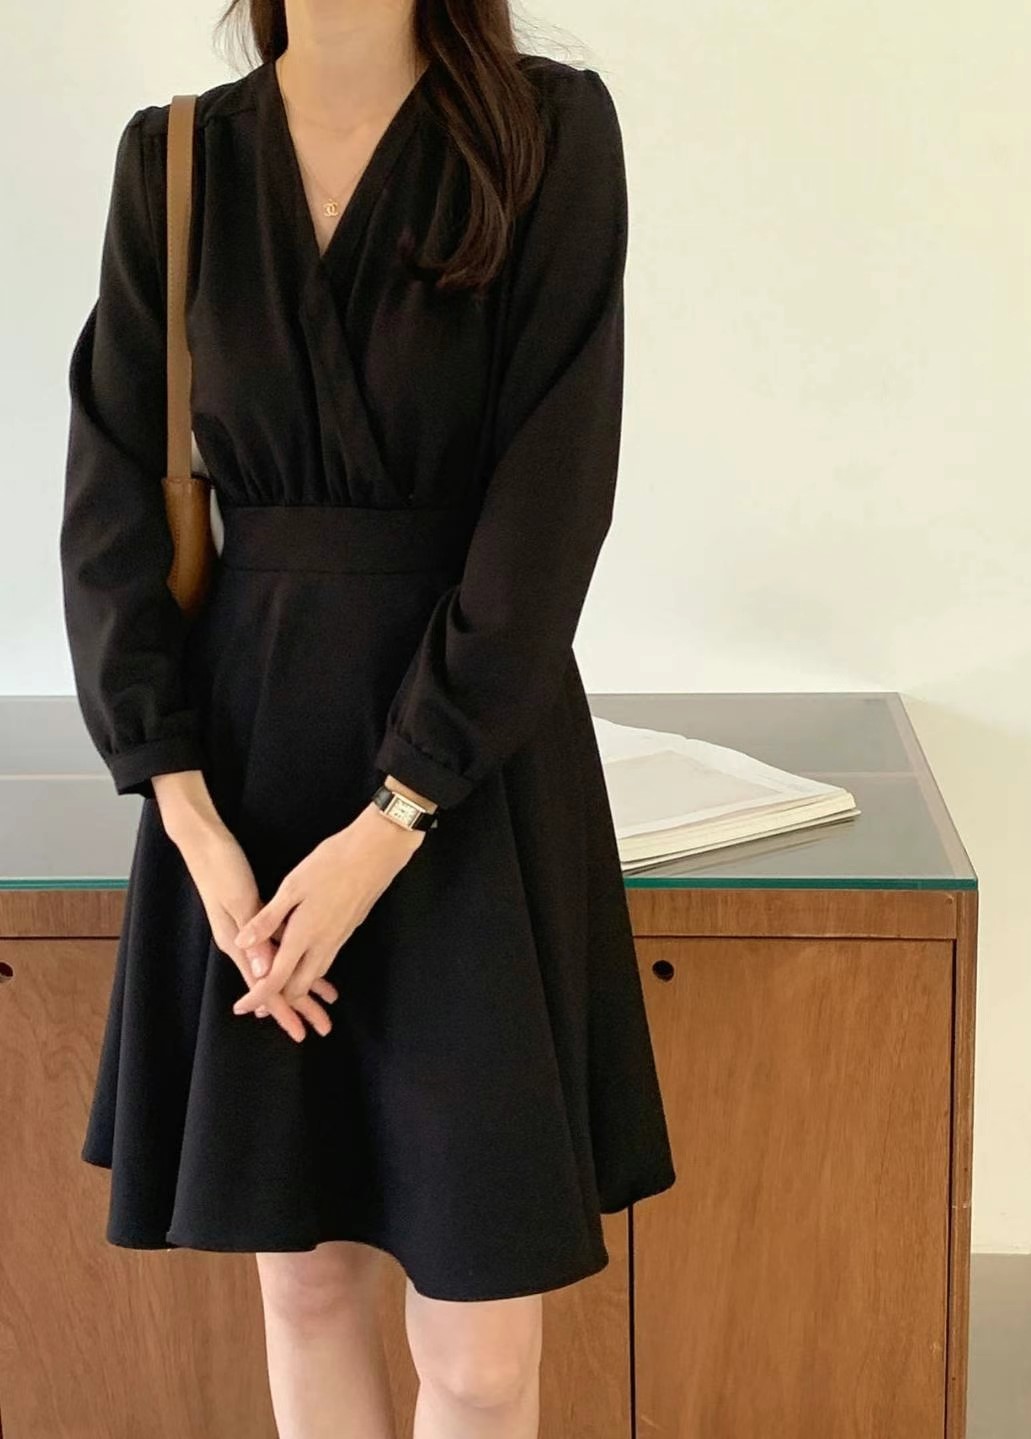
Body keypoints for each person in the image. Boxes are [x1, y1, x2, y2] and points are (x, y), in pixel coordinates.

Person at [59, 1, 676, 1434]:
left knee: (481, 1349)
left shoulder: (545, 132)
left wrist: (394, 817)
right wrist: (195, 826)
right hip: (251, 773)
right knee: (307, 1285)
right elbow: (109, 508)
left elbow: (551, 507)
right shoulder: (177, 161)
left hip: (470, 770)